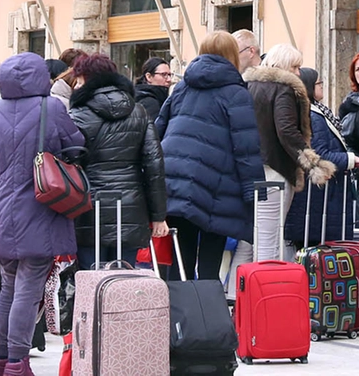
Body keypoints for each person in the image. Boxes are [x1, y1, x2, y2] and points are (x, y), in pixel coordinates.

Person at [0, 52, 85, 376]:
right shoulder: (51, 107)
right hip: (40, 208)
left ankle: (0, 358)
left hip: (0, 211)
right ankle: (17, 363)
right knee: (28, 287)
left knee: (9, 285)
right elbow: (76, 144)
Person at [157, 31, 264, 281]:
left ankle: (178, 317)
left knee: (180, 261)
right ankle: (207, 317)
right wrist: (254, 190)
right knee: (210, 263)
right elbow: (246, 145)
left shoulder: (182, 87)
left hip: (175, 180)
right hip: (216, 185)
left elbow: (159, 129)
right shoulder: (236, 92)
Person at [67, 54, 168, 267]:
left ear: (86, 77)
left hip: (89, 209)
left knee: (90, 282)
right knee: (124, 283)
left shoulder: (78, 114)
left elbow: (69, 161)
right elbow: (154, 165)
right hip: (131, 207)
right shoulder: (138, 111)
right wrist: (158, 215)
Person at [242, 44, 335, 262]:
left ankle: (236, 293)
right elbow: (286, 130)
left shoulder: (249, 86)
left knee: (250, 240)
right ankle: (264, 292)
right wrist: (312, 164)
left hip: (252, 167)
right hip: (275, 169)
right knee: (270, 238)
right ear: (283, 65)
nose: (298, 72)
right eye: (295, 66)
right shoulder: (282, 88)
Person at [285, 69, 359, 247]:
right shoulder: (313, 116)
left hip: (323, 198)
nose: (322, 86)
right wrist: (351, 160)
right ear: (309, 86)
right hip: (319, 199)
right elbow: (320, 154)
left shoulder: (317, 112)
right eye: (319, 83)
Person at [135, 56, 173, 122]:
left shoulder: (138, 95)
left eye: (169, 75)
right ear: (149, 77)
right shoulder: (149, 102)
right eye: (164, 74)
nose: (169, 79)